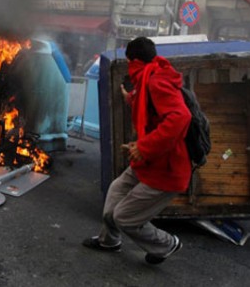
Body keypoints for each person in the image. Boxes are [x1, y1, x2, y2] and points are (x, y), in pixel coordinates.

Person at [82, 36, 191, 264]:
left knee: (124, 217)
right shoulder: (150, 76)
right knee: (116, 190)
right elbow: (151, 105)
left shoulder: (155, 81)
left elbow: (181, 117)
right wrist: (131, 98)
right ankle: (109, 240)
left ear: (133, 60)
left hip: (166, 170)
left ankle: (166, 244)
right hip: (148, 164)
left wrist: (144, 147)